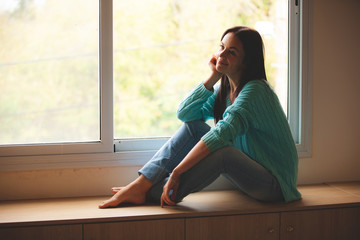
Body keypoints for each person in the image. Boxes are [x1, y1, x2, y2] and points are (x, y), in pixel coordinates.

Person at [98, 26, 301, 209]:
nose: (222, 54)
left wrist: (176, 172)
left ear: (246, 62)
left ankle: (150, 192)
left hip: (276, 185)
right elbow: (186, 114)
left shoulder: (255, 91)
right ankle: (141, 185)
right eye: (221, 47)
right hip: (251, 175)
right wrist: (213, 77)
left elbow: (220, 136)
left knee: (224, 153)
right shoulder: (226, 89)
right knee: (195, 128)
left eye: (231, 52)